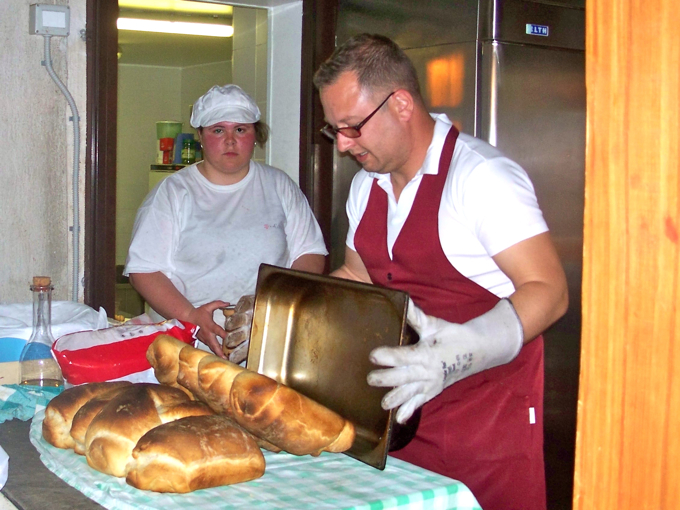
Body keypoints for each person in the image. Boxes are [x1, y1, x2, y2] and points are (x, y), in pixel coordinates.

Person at [313, 34, 568, 510]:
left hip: (485, 437)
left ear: (402, 105)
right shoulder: (367, 186)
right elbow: (358, 275)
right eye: (335, 130)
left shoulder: (481, 178)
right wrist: (281, 313)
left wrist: (459, 352)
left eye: (352, 127)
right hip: (394, 430)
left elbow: (550, 291)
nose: (343, 145)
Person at [125, 84, 327, 361]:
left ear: (255, 134)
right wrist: (192, 316)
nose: (230, 140)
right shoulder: (173, 193)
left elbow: (310, 253)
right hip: (188, 349)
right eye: (218, 130)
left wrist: (276, 306)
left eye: (240, 129)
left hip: (267, 345)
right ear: (200, 136)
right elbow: (143, 271)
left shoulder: (279, 186)